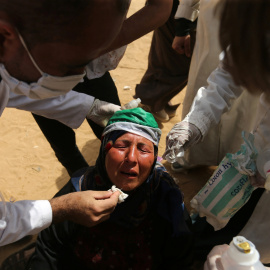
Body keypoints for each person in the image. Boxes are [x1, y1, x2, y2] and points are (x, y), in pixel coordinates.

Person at [0, 0, 133, 246]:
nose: (79, 77)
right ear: (6, 34)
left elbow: (14, 90)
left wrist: (90, 107)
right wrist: (60, 208)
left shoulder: (12, 56)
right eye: (69, 65)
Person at [164, 0, 270, 265]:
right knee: (209, 233)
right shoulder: (259, 29)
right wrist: (196, 122)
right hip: (255, 160)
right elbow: (228, 77)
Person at [26, 108, 194, 270]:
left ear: (154, 158)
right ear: (104, 150)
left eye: (143, 149)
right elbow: (50, 246)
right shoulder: (81, 188)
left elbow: (180, 259)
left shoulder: (165, 196)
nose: (131, 158)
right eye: (121, 146)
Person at [29, 0, 175, 176]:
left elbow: (159, 7)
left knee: (118, 134)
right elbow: (23, 94)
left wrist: (94, 48)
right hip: (40, 72)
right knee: (65, 148)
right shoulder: (20, 70)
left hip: (92, 69)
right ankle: (82, 181)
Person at [170, 0, 260, 171]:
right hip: (215, 21)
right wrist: (196, 122)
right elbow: (226, 79)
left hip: (254, 24)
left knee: (249, 104)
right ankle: (194, 154)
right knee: (208, 73)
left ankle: (240, 161)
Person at [135, 0, 198, 122]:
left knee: (167, 55)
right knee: (178, 59)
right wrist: (183, 28)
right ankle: (149, 102)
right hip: (180, 9)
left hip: (185, 11)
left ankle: (159, 100)